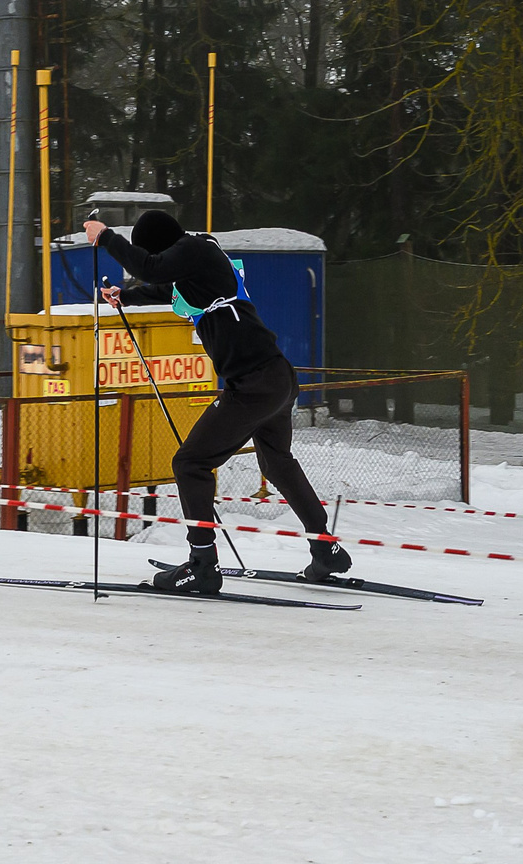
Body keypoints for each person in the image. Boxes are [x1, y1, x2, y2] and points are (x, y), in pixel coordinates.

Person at [84, 210, 352, 596]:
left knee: (190, 463)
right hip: (274, 378)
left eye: (151, 253)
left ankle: (202, 565)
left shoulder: (192, 249)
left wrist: (106, 237)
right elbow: (165, 288)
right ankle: (325, 548)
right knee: (276, 462)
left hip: (254, 384)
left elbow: (153, 269)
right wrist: (126, 295)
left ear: (159, 246)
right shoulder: (199, 261)